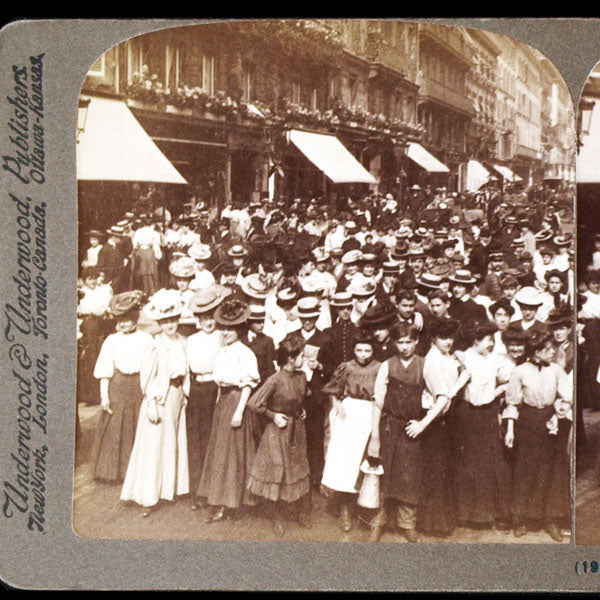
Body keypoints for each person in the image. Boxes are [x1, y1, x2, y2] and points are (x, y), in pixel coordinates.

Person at [120, 289, 190, 517]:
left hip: (177, 395)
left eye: (173, 320)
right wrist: (151, 402)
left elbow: (186, 370)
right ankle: (148, 496)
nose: (170, 325)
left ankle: (168, 490)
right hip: (160, 397)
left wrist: (185, 394)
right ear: (159, 323)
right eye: (165, 321)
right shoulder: (155, 344)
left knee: (173, 442)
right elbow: (148, 376)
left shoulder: (182, 341)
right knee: (154, 445)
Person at [503, 331, 572, 541]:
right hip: (528, 422)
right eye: (546, 349)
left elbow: (566, 397)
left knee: (552, 471)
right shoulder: (519, 371)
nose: (552, 352)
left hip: (550, 423)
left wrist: (560, 411)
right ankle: (520, 519)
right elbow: (512, 403)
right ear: (535, 352)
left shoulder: (557, 371)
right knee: (526, 470)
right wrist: (510, 429)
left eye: (552, 348)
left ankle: (551, 519)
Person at [196, 298, 261, 522]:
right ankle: (220, 499)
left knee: (234, 453)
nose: (226, 333)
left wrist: (239, 412)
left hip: (236, 402)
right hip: (223, 402)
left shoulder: (245, 353)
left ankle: (233, 502)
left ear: (239, 330)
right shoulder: (222, 351)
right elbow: (220, 382)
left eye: (231, 329)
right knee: (221, 453)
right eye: (223, 329)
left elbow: (247, 385)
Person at [246, 334, 312, 536]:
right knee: (279, 472)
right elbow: (254, 403)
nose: (304, 359)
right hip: (278, 432)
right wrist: (273, 416)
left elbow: (301, 397)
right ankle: (278, 516)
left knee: (296, 469)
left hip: (297, 430)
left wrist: (301, 410)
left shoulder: (301, 376)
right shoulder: (274, 379)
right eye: (302, 355)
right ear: (291, 358)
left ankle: (297, 511)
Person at [367, 322, 425, 543]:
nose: (404, 347)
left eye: (408, 342)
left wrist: (421, 423)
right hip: (389, 425)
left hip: (411, 428)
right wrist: (375, 436)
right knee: (384, 473)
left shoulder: (424, 365)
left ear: (416, 342)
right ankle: (378, 521)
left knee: (409, 476)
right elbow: (378, 402)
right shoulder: (387, 365)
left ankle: (407, 523)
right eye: (400, 342)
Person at [321, 329, 381, 533]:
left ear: (373, 350)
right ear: (353, 350)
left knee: (363, 463)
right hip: (349, 414)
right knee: (345, 465)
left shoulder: (380, 368)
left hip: (370, 414)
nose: (363, 354)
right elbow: (332, 390)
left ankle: (365, 510)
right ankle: (345, 510)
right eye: (359, 350)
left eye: (367, 350)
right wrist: (336, 403)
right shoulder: (346, 367)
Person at [453, 321, 512, 530]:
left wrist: (498, 390)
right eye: (489, 340)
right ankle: (465, 514)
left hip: (487, 415)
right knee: (468, 463)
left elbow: (509, 379)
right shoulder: (463, 357)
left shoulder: (496, 359)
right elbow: (474, 395)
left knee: (489, 463)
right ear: (476, 340)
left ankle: (487, 514)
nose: (492, 344)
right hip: (468, 415)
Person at [417, 318, 470, 537]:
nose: (448, 341)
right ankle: (433, 524)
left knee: (447, 469)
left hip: (448, 420)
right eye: (443, 337)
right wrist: (461, 381)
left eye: (451, 337)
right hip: (436, 419)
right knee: (436, 471)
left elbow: (462, 372)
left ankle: (445, 520)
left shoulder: (447, 356)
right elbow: (444, 398)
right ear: (433, 338)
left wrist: (462, 368)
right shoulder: (431, 361)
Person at [91, 291, 151, 483]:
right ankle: (112, 471)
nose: (123, 324)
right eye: (120, 320)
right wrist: (104, 396)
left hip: (138, 386)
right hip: (117, 386)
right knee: (115, 426)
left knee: (136, 425)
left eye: (127, 319)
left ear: (135, 318)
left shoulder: (146, 339)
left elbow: (151, 368)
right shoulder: (112, 340)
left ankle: (133, 472)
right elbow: (105, 369)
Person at [185, 285, 230, 510]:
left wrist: (220, 391)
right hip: (196, 389)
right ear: (198, 319)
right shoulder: (191, 340)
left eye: (211, 317)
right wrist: (187, 392)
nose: (208, 322)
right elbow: (186, 370)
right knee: (197, 440)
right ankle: (198, 492)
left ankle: (215, 490)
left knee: (214, 439)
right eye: (203, 318)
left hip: (216, 388)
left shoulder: (222, 338)